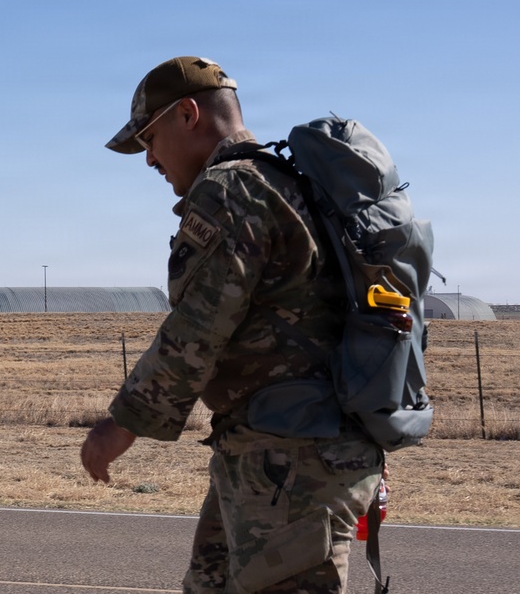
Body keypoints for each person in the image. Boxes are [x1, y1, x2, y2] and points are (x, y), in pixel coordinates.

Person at [80, 57, 383, 593]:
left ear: (188, 114)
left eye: (149, 138)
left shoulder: (231, 189)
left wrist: (120, 425)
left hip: (290, 458)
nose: (149, 158)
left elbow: (197, 327)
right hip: (279, 451)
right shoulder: (283, 182)